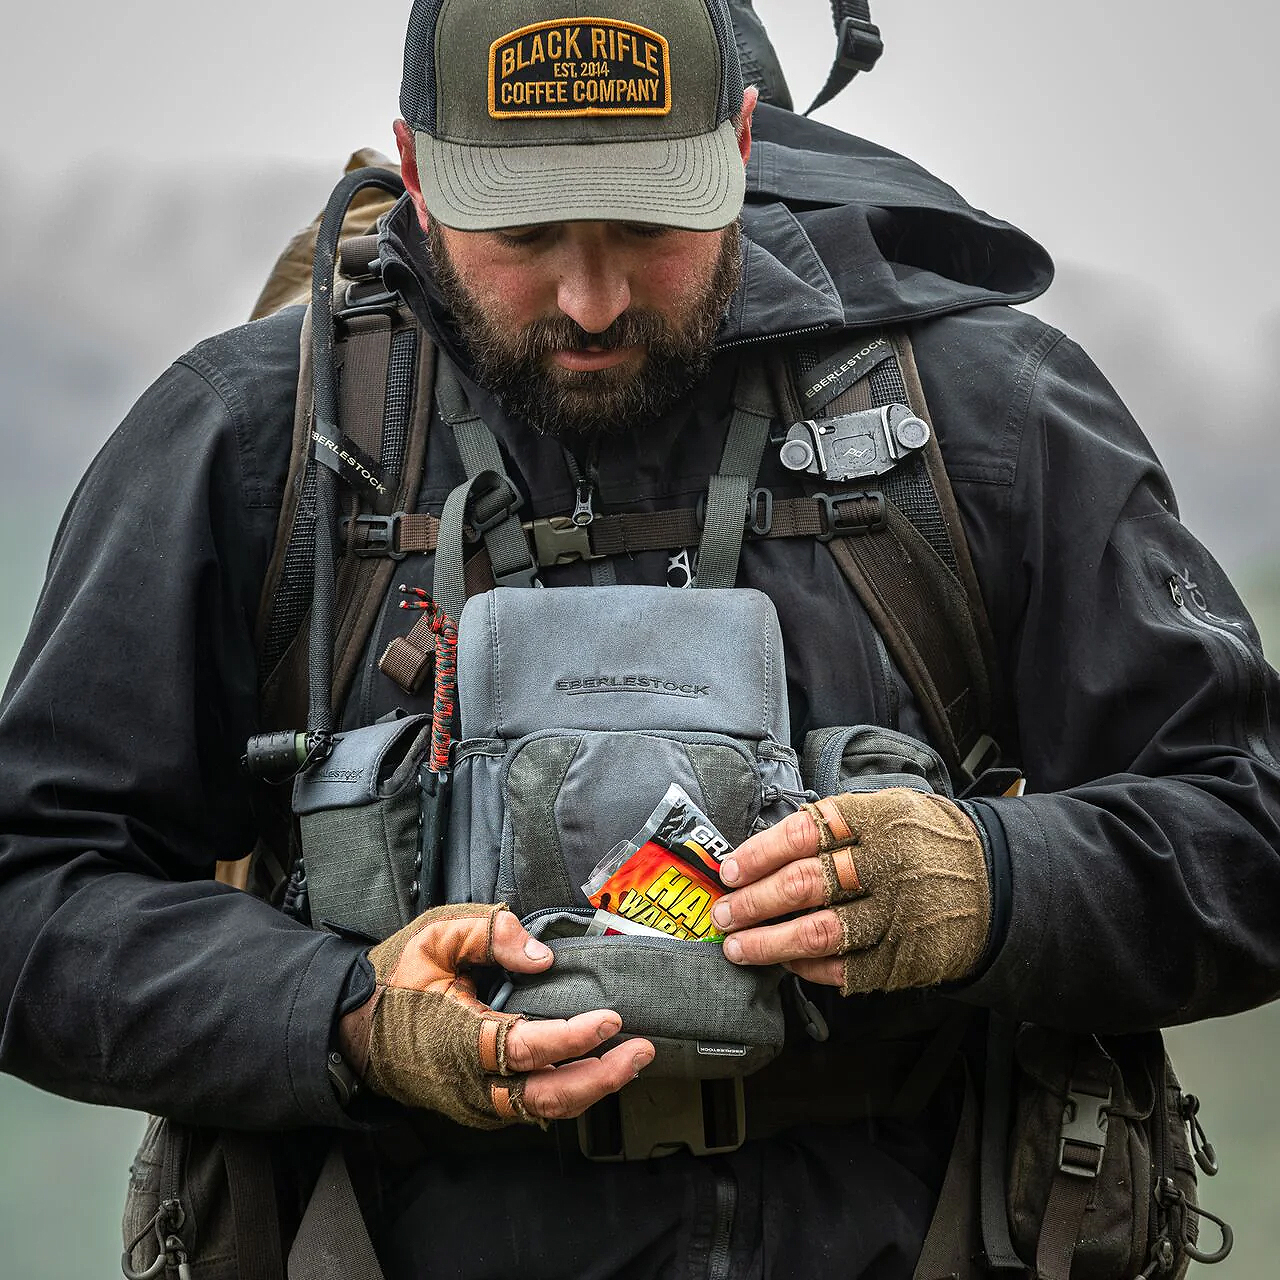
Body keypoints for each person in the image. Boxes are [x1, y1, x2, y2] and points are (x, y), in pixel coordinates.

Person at [1, 0, 1277, 1275]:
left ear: (737, 145)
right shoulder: (253, 438)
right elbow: (31, 888)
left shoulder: (980, 417)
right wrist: (345, 1018)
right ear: (419, 166)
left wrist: (991, 881)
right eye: (529, 233)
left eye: (646, 224)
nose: (592, 297)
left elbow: (1246, 826)